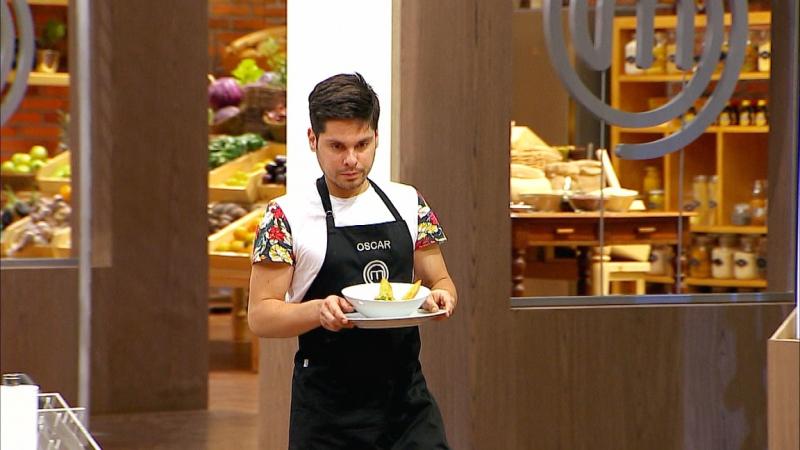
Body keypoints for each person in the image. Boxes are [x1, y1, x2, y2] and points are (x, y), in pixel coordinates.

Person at [248, 72, 457, 449]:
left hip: (406, 402)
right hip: (329, 411)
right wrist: (319, 311)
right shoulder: (285, 216)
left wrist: (442, 296)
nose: (351, 160)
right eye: (336, 146)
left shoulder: (409, 203)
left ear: (376, 137)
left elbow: (440, 281)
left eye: (362, 144)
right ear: (312, 140)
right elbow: (261, 315)